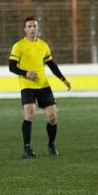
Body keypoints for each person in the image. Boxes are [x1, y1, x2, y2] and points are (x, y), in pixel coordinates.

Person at [9, 17, 71, 159]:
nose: (32, 29)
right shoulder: (18, 46)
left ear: (38, 28)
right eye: (29, 26)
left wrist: (63, 79)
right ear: (25, 29)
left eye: (34, 26)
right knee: (29, 114)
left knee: (52, 117)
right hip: (27, 86)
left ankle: (51, 145)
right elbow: (11, 67)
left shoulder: (43, 46)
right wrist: (26, 73)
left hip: (43, 85)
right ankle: (27, 149)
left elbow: (51, 64)